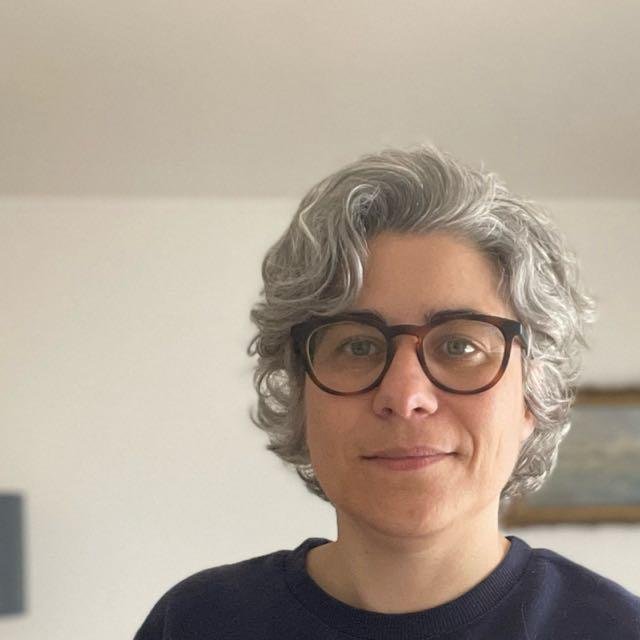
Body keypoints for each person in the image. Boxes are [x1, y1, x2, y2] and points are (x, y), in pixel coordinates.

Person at [134, 144, 640, 639]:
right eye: (357, 346)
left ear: (531, 396)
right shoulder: (196, 622)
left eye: (460, 346)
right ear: (301, 394)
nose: (404, 394)